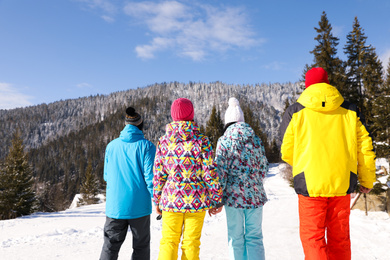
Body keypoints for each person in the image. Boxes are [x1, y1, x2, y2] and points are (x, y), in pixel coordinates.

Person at [280, 67, 376, 260]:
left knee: (313, 238)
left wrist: (304, 166)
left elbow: (286, 150)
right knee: (339, 239)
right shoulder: (350, 110)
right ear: (328, 83)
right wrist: (367, 179)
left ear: (307, 86)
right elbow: (364, 147)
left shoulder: (295, 111)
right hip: (341, 183)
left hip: (309, 184)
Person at [153, 97, 223, 260]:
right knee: (191, 243)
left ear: (173, 116)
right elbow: (209, 173)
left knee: (169, 242)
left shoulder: (163, 142)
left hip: (170, 200)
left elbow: (158, 174)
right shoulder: (202, 141)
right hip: (196, 201)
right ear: (191, 114)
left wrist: (157, 199)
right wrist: (216, 199)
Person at [214, 97, 268, 260]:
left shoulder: (224, 141)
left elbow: (220, 172)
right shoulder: (256, 140)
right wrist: (254, 183)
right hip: (256, 196)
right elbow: (264, 167)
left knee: (235, 238)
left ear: (227, 123)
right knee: (255, 238)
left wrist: (218, 198)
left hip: (233, 198)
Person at [99, 107, 156, 260]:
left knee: (110, 246)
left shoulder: (111, 146)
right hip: (139, 207)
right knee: (141, 247)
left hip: (115, 207)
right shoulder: (147, 146)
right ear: (140, 125)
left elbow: (106, 176)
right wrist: (158, 200)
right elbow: (151, 178)